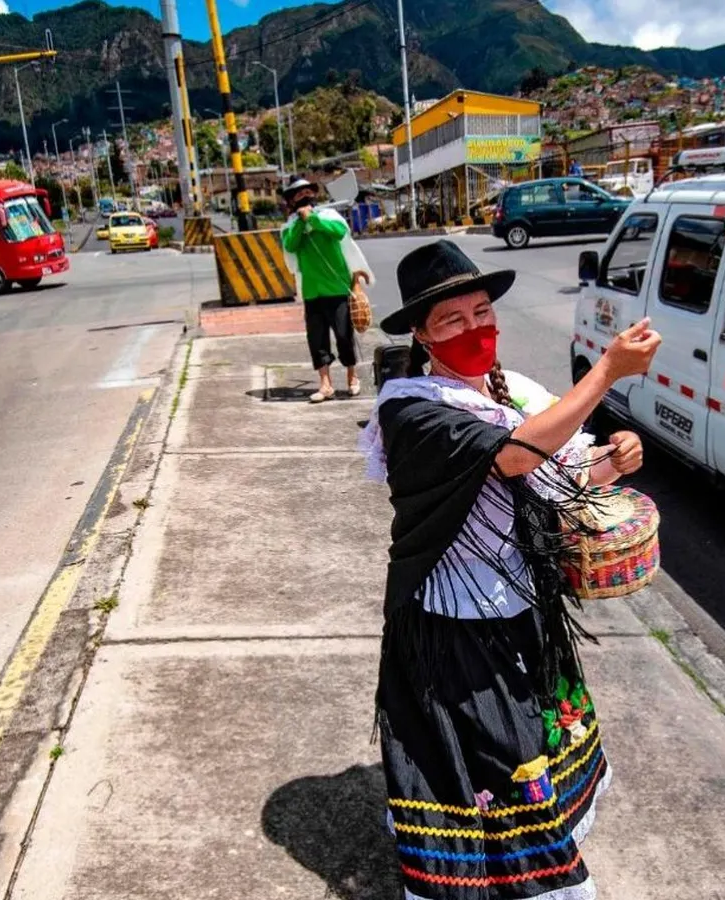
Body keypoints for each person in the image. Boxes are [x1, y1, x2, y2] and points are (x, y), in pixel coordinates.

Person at [357, 240, 660, 899]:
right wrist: (608, 370)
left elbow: (559, 473)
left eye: (481, 313)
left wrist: (615, 457)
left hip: (522, 607)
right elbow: (516, 458)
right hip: (451, 621)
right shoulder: (410, 410)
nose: (475, 329)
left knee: (532, 744)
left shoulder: (512, 390)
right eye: (452, 320)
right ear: (421, 335)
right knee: (502, 757)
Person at [279, 176, 373, 402]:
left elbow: (339, 232)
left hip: (337, 288)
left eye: (307, 192)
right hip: (312, 291)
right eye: (298, 193)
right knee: (317, 340)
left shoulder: (329, 216)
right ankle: (325, 384)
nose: (304, 196)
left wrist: (314, 219)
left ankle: (352, 377)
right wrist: (302, 222)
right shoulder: (291, 226)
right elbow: (290, 245)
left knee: (344, 336)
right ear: (292, 200)